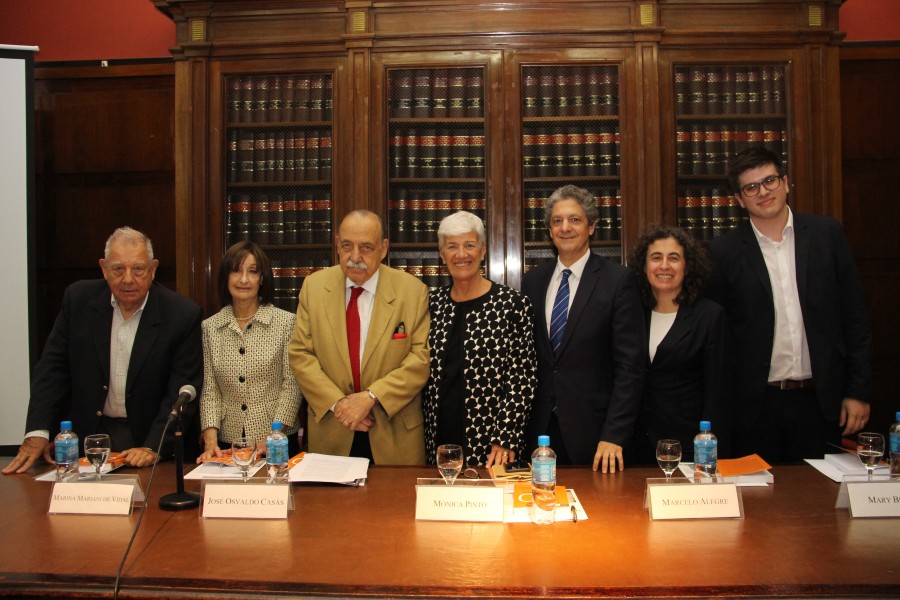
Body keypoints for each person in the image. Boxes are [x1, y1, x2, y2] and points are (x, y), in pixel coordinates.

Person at [707, 146, 871, 463]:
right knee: (756, 504)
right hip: (754, 406)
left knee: (819, 504)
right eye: (751, 187)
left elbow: (855, 318)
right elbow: (719, 338)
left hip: (821, 402)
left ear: (785, 182)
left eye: (769, 181)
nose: (763, 192)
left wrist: (858, 391)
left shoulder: (827, 235)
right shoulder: (723, 252)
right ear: (739, 200)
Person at [2, 227, 203, 474]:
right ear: (104, 269)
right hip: (88, 437)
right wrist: (38, 430)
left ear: (153, 269)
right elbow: (52, 369)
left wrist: (154, 446)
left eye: (138, 269)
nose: (128, 279)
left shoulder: (181, 314)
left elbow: (181, 389)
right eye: (118, 269)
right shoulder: (79, 300)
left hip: (147, 437)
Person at [288, 210, 430, 464]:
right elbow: (301, 354)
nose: (355, 257)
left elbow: (420, 359)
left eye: (366, 247)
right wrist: (340, 405)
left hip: (393, 432)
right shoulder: (314, 287)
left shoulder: (412, 291)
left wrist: (370, 397)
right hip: (333, 430)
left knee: (395, 505)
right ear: (336, 245)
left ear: (383, 248)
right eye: (347, 246)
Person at [522, 185, 646, 472]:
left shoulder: (618, 281)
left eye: (575, 220)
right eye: (557, 221)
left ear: (591, 227)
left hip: (596, 434)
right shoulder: (533, 282)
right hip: (540, 431)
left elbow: (630, 367)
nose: (565, 227)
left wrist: (614, 434)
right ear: (550, 229)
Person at [424, 211, 536, 468]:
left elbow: (523, 378)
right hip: (436, 441)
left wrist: (505, 437)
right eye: (452, 246)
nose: (461, 254)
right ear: (442, 255)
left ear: (483, 251)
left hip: (491, 446)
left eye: (469, 245)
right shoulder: (432, 305)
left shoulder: (512, 304)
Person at [627, 225, 727, 464]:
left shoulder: (710, 316)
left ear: (687, 265)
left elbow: (718, 392)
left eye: (674, 258)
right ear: (644, 266)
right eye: (655, 258)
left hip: (689, 447)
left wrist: (709, 451)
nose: (664, 266)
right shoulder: (632, 314)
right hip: (635, 445)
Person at [196, 242, 303, 463]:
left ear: (262, 279)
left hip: (277, 441)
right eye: (236, 271)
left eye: (252, 272)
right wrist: (210, 440)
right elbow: (210, 388)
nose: (243, 280)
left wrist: (273, 436)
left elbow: (292, 384)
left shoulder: (286, 322)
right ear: (226, 277)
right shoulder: (210, 327)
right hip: (228, 443)